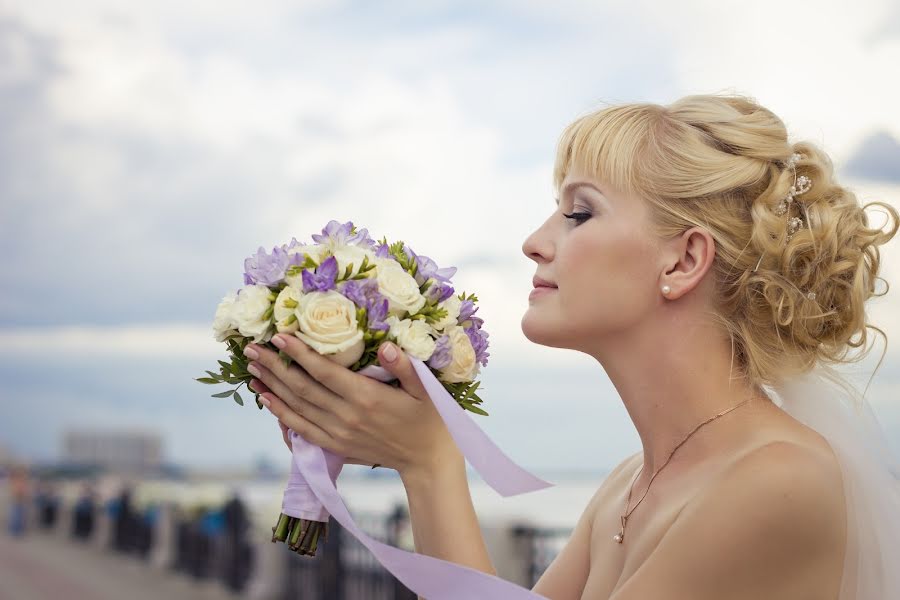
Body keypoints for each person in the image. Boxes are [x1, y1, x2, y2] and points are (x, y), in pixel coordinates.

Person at [242, 94, 900, 599]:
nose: (535, 240)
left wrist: (430, 463)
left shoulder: (778, 480)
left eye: (579, 212)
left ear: (683, 262)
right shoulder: (629, 483)